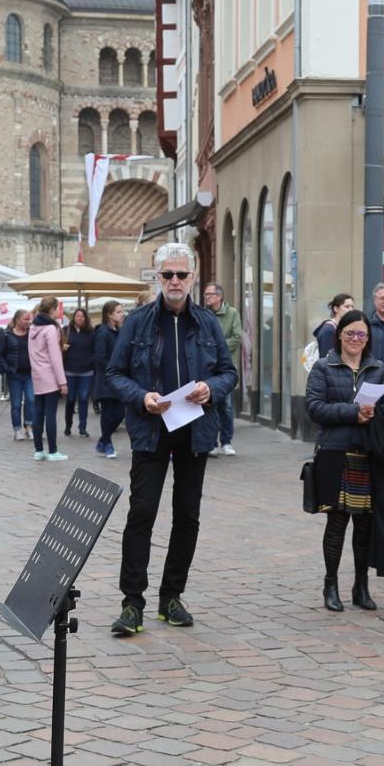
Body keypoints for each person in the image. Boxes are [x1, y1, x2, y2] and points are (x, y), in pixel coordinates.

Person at [105, 242, 236, 636]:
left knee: (187, 515)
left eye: (182, 274)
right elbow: (115, 373)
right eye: (167, 275)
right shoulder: (139, 321)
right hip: (151, 429)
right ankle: (132, 603)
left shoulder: (208, 322)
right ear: (157, 277)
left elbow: (229, 373)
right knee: (141, 512)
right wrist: (141, 397)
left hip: (194, 429)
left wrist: (211, 389)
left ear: (193, 277)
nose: (175, 281)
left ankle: (172, 597)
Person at [305, 310, 384, 612]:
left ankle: (361, 585)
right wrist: (352, 412)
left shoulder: (378, 368)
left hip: (369, 454)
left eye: (361, 335)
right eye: (350, 334)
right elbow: (315, 408)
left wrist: (375, 412)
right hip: (336, 453)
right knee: (337, 523)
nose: (356, 339)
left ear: (367, 339)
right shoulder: (323, 367)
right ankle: (330, 585)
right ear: (340, 335)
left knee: (365, 526)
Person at [205, 280, 244, 455]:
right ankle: (212, 442)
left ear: (219, 297)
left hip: (225, 367)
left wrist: (215, 346)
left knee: (226, 406)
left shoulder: (232, 313)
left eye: (210, 294)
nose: (206, 297)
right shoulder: (203, 314)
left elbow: (237, 337)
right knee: (208, 404)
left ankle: (226, 441)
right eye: (205, 294)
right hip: (206, 367)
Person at [28, 299, 68, 461]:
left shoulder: (33, 327)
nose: (59, 311)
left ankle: (39, 451)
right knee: (50, 415)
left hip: (37, 376)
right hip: (50, 377)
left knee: (38, 414)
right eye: (57, 308)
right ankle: (53, 451)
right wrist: (62, 382)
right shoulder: (51, 328)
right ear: (52, 310)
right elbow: (55, 357)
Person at [92, 300, 129, 459]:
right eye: (119, 312)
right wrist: (112, 370)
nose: (122, 315)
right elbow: (100, 357)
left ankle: (103, 440)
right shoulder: (103, 332)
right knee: (108, 413)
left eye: (122, 311)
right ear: (109, 315)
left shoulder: (120, 332)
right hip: (106, 380)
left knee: (120, 412)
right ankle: (107, 444)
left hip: (119, 379)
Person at [60, 296, 98, 438]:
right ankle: (68, 425)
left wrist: (91, 361)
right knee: (70, 400)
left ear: (85, 318)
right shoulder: (66, 331)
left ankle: (82, 427)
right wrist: (63, 349)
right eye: (78, 316)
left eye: (82, 316)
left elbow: (96, 350)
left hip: (86, 372)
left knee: (83, 399)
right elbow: (58, 347)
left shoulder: (91, 332)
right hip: (69, 370)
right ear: (73, 317)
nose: (80, 318)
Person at [0, 308, 34, 439]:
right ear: (17, 320)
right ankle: (17, 430)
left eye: (29, 319)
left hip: (30, 374)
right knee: (16, 404)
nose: (28, 322)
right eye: (25, 319)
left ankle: (29, 427)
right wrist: (7, 368)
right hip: (15, 375)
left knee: (31, 400)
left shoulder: (31, 333)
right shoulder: (7, 334)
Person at [313, 292, 354, 357]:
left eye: (352, 307)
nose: (351, 310)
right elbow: (326, 358)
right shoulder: (329, 330)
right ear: (336, 309)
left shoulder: (340, 327)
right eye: (347, 307)